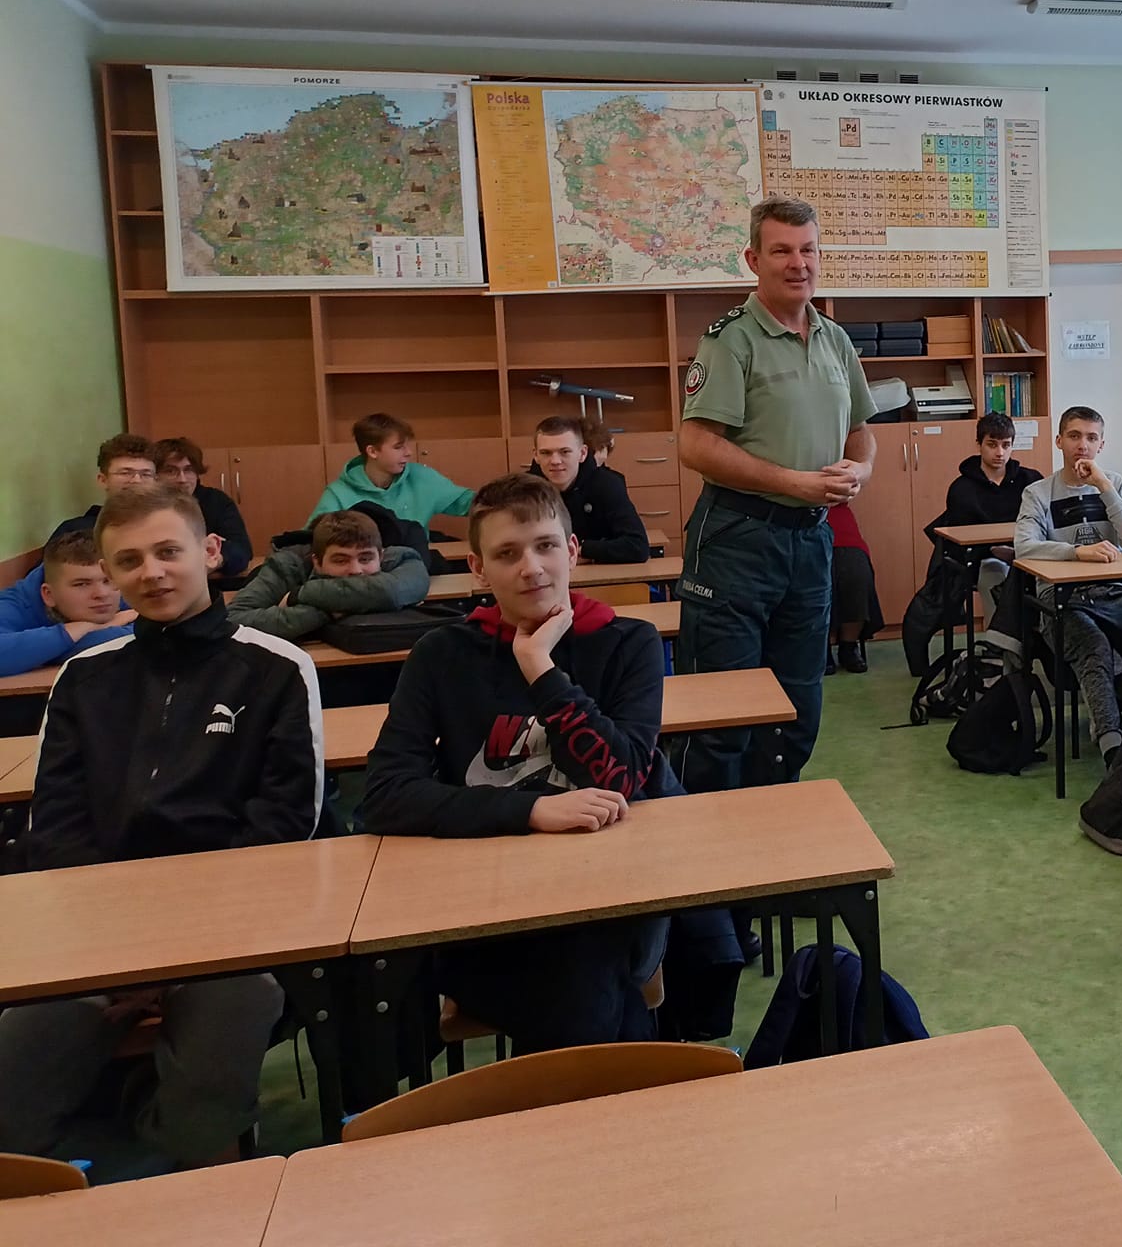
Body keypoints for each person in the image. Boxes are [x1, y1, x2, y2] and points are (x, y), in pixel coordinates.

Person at [0, 484, 321, 1169]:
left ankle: (180, 1174)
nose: (152, 573)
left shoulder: (277, 669)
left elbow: (283, 827)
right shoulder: (83, 677)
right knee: (18, 1082)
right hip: (96, 934)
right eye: (129, 560)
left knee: (216, 1061)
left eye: (168, 552)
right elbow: (55, 826)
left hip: (228, 937)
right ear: (111, 574)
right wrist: (121, 952)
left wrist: (174, 952)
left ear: (210, 552)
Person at [361, 474, 741, 1049]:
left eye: (545, 546)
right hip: (488, 908)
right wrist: (531, 811)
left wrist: (540, 669)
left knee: (584, 973)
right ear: (477, 568)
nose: (531, 568)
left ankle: (589, 1094)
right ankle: (635, 1090)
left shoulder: (628, 642)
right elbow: (385, 794)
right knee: (585, 991)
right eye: (507, 554)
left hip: (612, 898)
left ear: (572, 550)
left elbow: (620, 777)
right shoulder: (442, 654)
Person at [676, 197, 877, 795]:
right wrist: (795, 482)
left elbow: (861, 430)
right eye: (782, 251)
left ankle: (775, 828)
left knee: (798, 708)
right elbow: (695, 444)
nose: (798, 263)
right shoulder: (730, 340)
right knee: (724, 713)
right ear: (753, 260)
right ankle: (711, 842)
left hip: (810, 541)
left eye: (808, 249)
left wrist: (861, 470)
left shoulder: (835, 338)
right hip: (737, 538)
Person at [1015, 405, 1122, 762]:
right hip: (1062, 599)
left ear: (1101, 445)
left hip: (1114, 593)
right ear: (1059, 440)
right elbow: (1024, 546)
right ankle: (1111, 743)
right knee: (1093, 646)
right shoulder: (1038, 493)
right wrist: (1076, 552)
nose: (1082, 445)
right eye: (1074, 436)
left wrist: (1103, 486)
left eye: (1091, 438)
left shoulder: (1115, 484)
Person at [227, 508, 430, 641]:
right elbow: (234, 620)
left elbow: (390, 591)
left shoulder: (402, 558)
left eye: (365, 559)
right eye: (341, 560)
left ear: (381, 555)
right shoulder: (287, 565)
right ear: (316, 561)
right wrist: (328, 611)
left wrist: (300, 595)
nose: (356, 570)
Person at [924, 412, 1046, 622]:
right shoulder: (961, 488)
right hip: (983, 558)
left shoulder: (1031, 480)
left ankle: (1041, 636)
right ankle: (998, 639)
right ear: (979, 444)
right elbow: (961, 542)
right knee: (994, 575)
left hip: (1027, 552)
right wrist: (994, 550)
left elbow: (1043, 523)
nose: (1000, 452)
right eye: (992, 444)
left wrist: (1019, 550)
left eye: (1006, 445)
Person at [0, 530, 135, 677]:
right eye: (82, 584)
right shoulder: (17, 604)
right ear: (48, 594)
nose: (102, 594)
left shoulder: (124, 583)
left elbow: (149, 635)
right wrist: (82, 628)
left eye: (107, 580)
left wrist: (41, 652)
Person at [309, 413, 473, 529]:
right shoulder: (338, 494)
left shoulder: (421, 477)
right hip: (365, 563)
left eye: (407, 445)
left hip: (417, 560)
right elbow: (314, 536)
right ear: (373, 451)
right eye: (398, 447)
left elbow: (469, 503)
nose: (409, 452)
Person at [529, 415, 649, 563]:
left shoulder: (607, 485)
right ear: (536, 455)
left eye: (565, 452)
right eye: (546, 453)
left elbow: (637, 546)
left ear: (582, 453)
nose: (555, 461)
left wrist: (582, 551)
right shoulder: (523, 492)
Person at [148, 437, 253, 578]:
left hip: (213, 582)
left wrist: (213, 560)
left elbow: (242, 551)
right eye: (171, 471)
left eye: (189, 470)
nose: (182, 479)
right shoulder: (146, 506)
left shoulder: (217, 501)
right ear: (155, 475)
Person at [45, 433, 157, 545]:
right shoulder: (75, 532)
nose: (137, 480)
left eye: (146, 474)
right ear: (103, 480)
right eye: (125, 473)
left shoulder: (164, 526)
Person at [825, 503, 882, 674]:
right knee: (815, 577)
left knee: (856, 574)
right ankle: (821, 647)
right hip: (802, 518)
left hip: (838, 518)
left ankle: (849, 646)